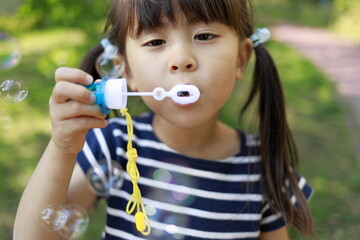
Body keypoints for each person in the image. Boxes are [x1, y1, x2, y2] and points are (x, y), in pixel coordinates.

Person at [13, 0, 315, 239]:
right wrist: (62, 148)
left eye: (204, 35)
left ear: (241, 58)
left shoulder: (265, 168)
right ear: (124, 70)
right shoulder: (113, 146)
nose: (181, 59)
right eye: (156, 42)